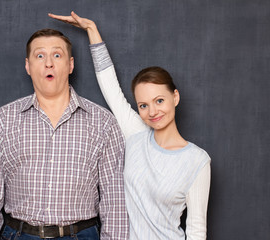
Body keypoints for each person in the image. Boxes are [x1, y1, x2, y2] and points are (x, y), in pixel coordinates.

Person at [49, 12, 211, 240]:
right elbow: (111, 88)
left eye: (160, 101)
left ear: (175, 97)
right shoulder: (136, 135)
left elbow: (196, 231)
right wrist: (92, 30)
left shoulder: (197, 161)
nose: (153, 112)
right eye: (143, 105)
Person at [0, 28, 129, 240]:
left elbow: (114, 202)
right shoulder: (4, 120)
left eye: (57, 55)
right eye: (40, 55)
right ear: (28, 66)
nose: (48, 63)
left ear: (70, 65)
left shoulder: (103, 122)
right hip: (19, 234)